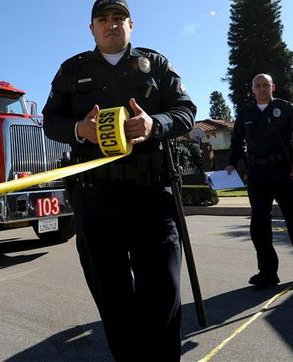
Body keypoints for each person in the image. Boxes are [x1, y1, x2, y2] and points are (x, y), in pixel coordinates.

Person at [42, 1, 196, 360]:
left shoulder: (154, 64)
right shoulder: (72, 69)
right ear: (92, 28)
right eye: (103, 20)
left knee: (162, 291)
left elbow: (186, 111)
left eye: (118, 19)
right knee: (112, 294)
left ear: (131, 25)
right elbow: (51, 121)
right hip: (96, 197)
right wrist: (79, 129)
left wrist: (154, 124)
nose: (111, 25)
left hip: (151, 195)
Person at [226, 73, 293, 288]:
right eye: (257, 85)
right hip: (258, 175)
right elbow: (236, 140)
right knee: (259, 227)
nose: (261, 88)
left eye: (265, 85)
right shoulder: (246, 113)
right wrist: (232, 162)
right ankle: (267, 273)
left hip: (287, 172)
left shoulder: (286, 109)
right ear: (252, 89)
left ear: (272, 87)